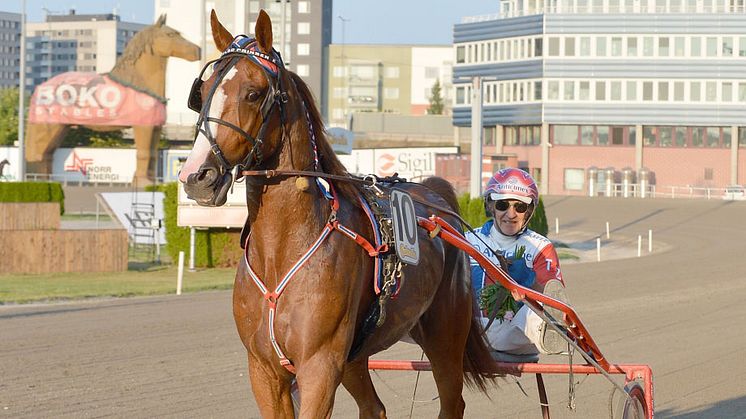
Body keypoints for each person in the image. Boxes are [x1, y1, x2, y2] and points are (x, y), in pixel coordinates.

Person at [465, 167, 567, 357]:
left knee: (532, 316)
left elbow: (553, 295)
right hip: (467, 331)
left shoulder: (540, 247)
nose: (511, 214)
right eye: (502, 205)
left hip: (513, 334)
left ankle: (551, 333)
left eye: (519, 207)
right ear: (491, 206)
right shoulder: (467, 240)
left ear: (528, 211)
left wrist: (529, 291)